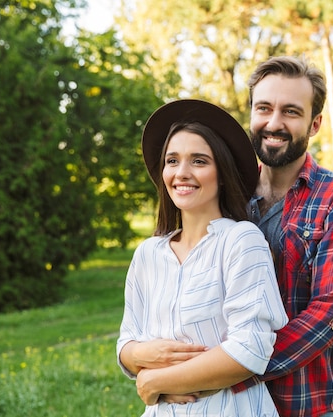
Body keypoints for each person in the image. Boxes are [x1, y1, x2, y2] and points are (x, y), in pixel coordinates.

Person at [116, 99, 289, 417]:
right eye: (172, 160)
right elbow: (126, 343)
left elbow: (250, 348)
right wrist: (142, 353)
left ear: (221, 173)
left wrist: (156, 381)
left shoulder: (241, 241)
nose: (181, 173)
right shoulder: (148, 254)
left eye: (198, 161)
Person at [233, 55, 333, 417]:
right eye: (264, 108)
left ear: (315, 124)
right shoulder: (226, 194)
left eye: (291, 112)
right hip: (223, 405)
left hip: (303, 405)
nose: (273, 123)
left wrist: (230, 371)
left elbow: (328, 314)